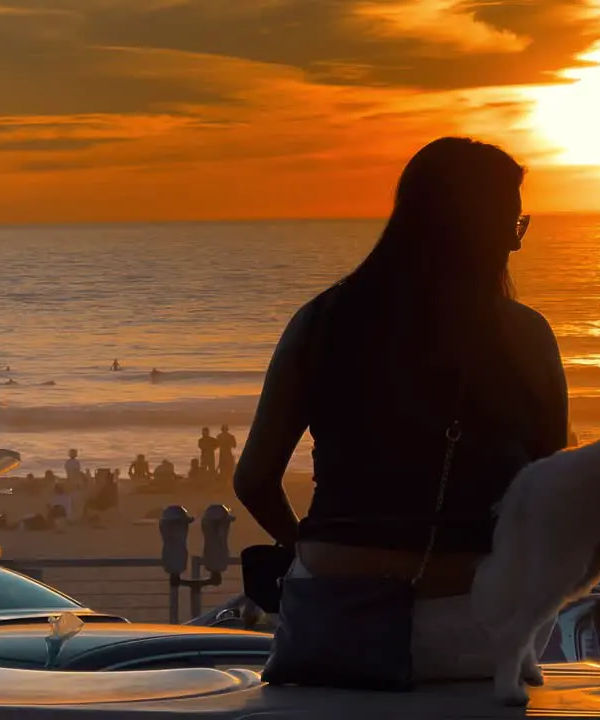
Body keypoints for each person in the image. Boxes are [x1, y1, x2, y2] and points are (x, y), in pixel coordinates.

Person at [233, 137, 568, 682]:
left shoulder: (320, 323)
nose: (515, 244)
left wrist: (315, 548)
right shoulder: (524, 335)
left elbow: (253, 480)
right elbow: (556, 481)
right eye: (512, 224)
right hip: (478, 628)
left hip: (338, 621)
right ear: (477, 227)